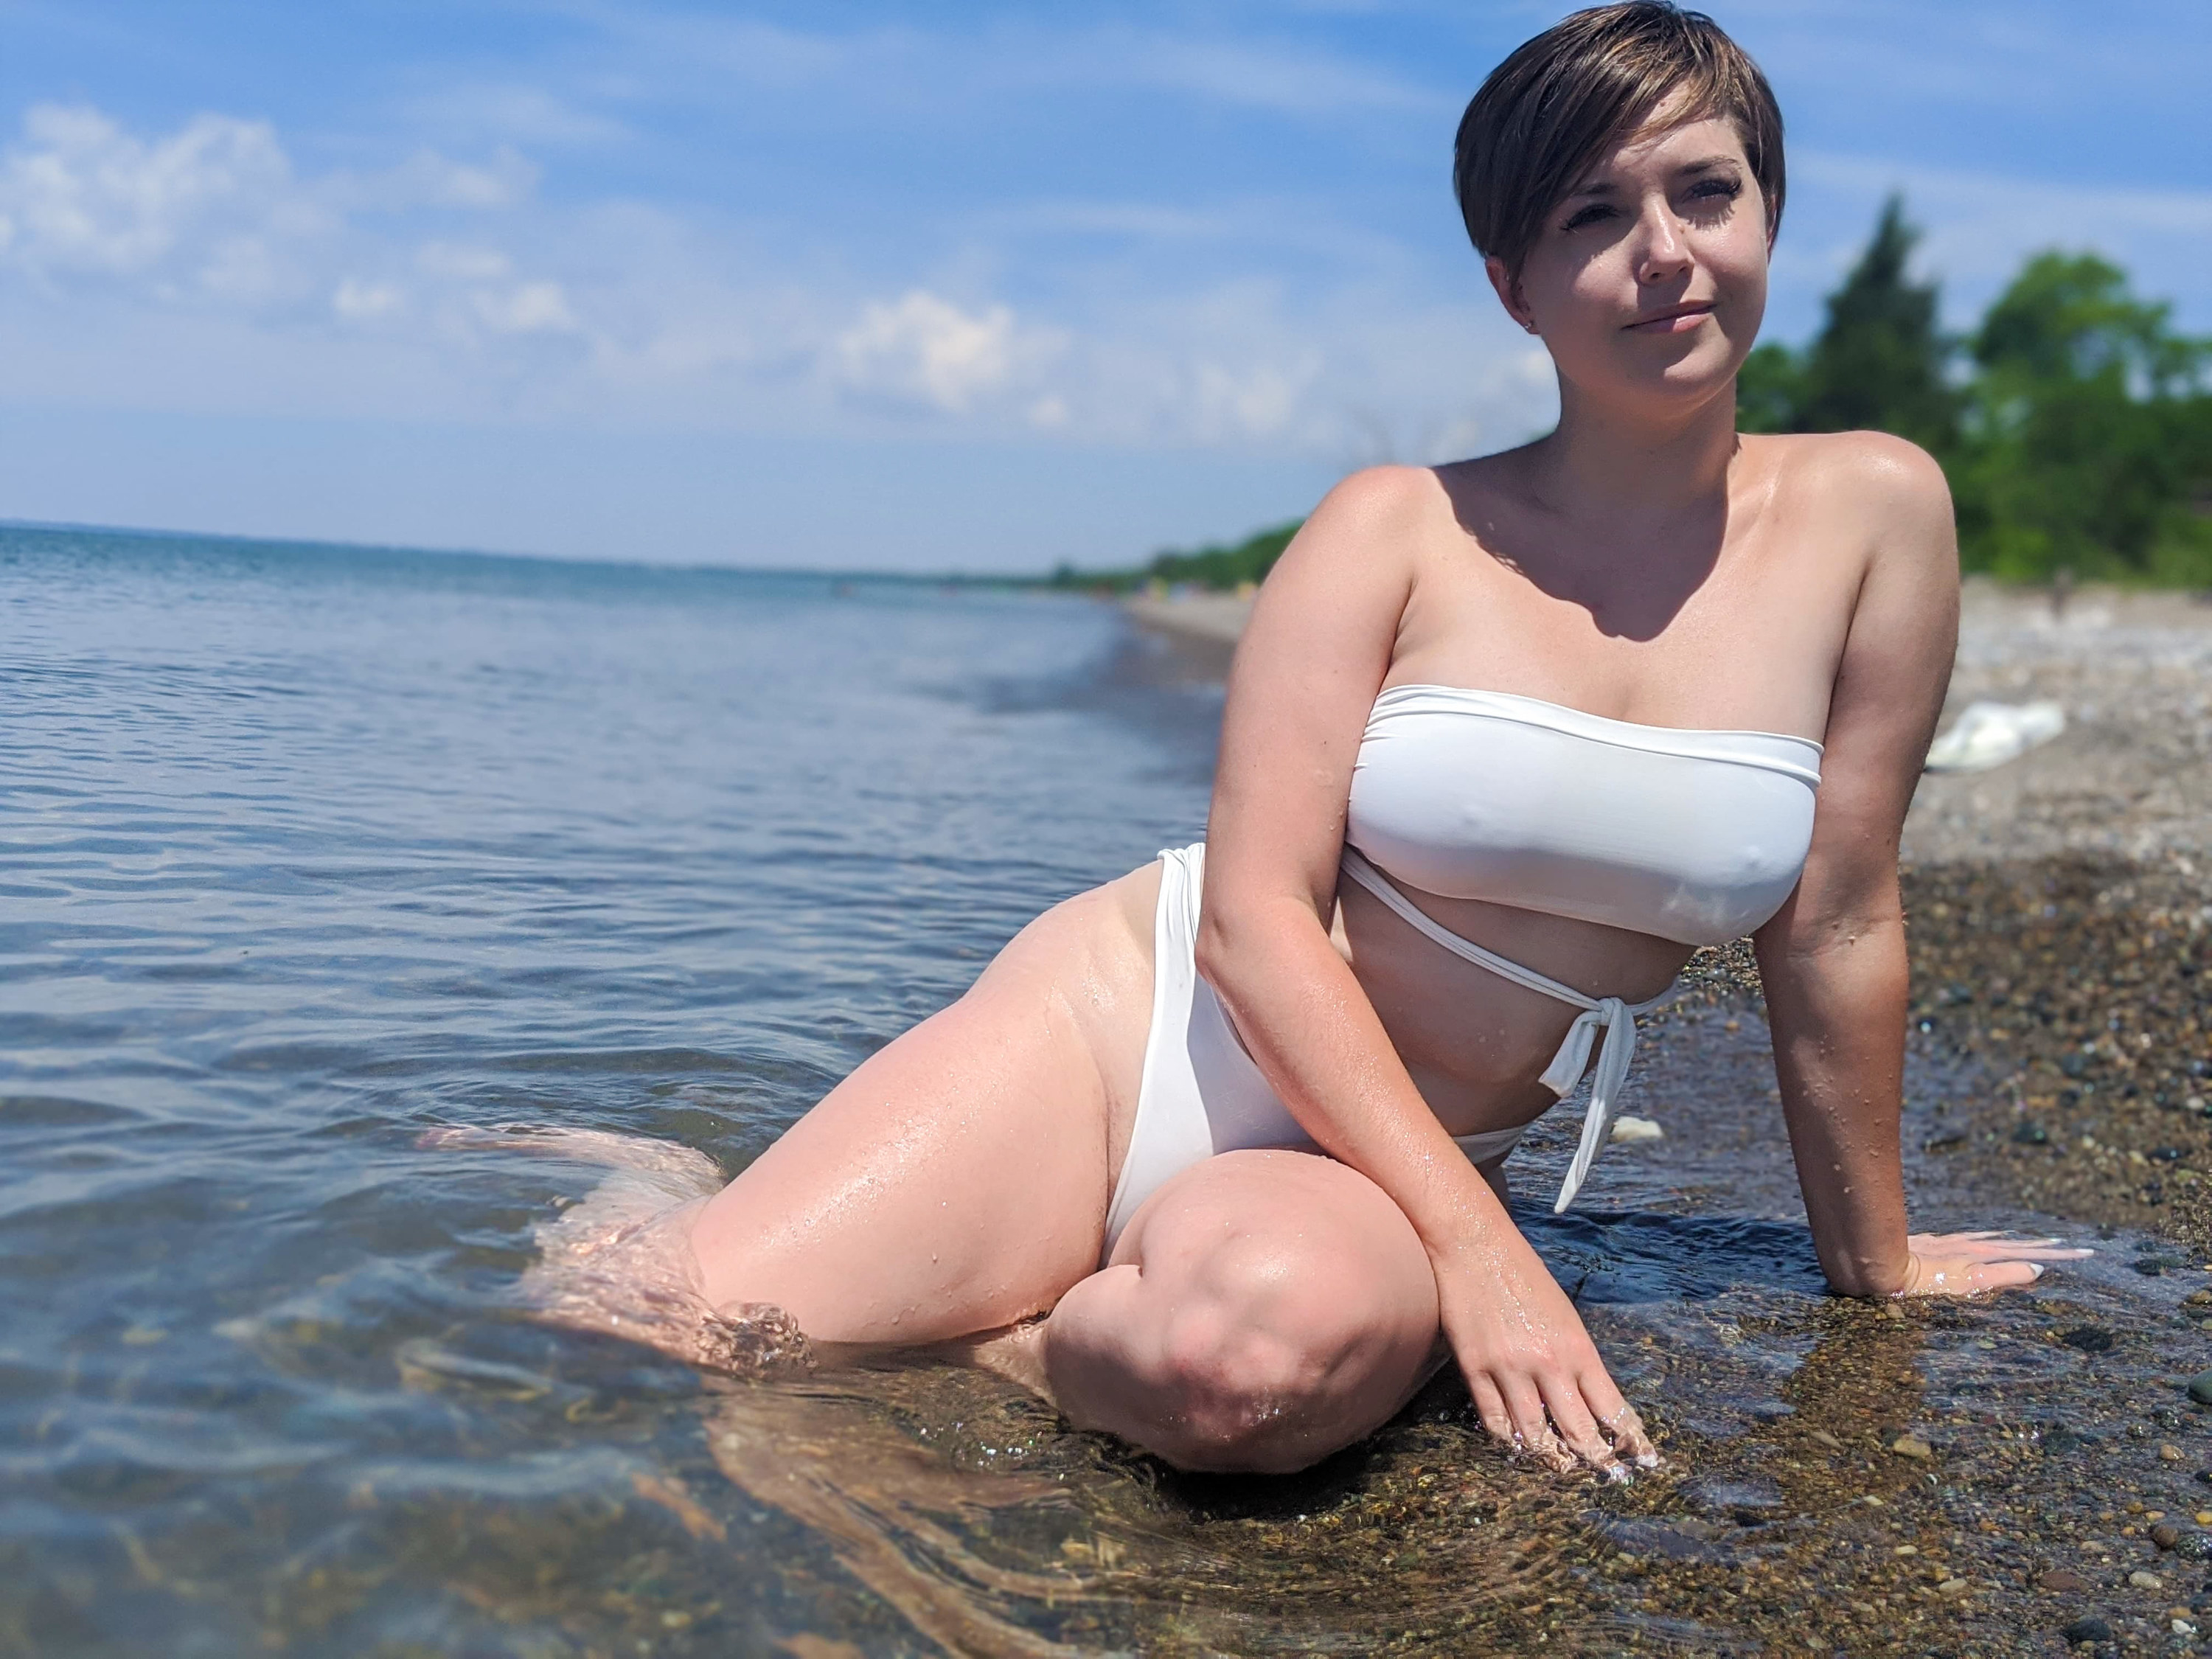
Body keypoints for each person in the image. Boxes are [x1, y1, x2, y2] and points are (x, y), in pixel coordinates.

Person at [462, 1, 2086, 1479]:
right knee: (629, 1337)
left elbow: (1844, 913)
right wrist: (1488, 1260)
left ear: (1769, 215)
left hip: (1391, 1156)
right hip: (1148, 1028)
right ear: (1514, 285)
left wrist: (1870, 1256)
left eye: (1704, 193)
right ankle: (667, 1189)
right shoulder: (1395, 529)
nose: (1662, 252)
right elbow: (1253, 917)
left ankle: (1011, 1319)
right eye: (1594, 214)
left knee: (1236, 1382)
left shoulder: (1879, 513)